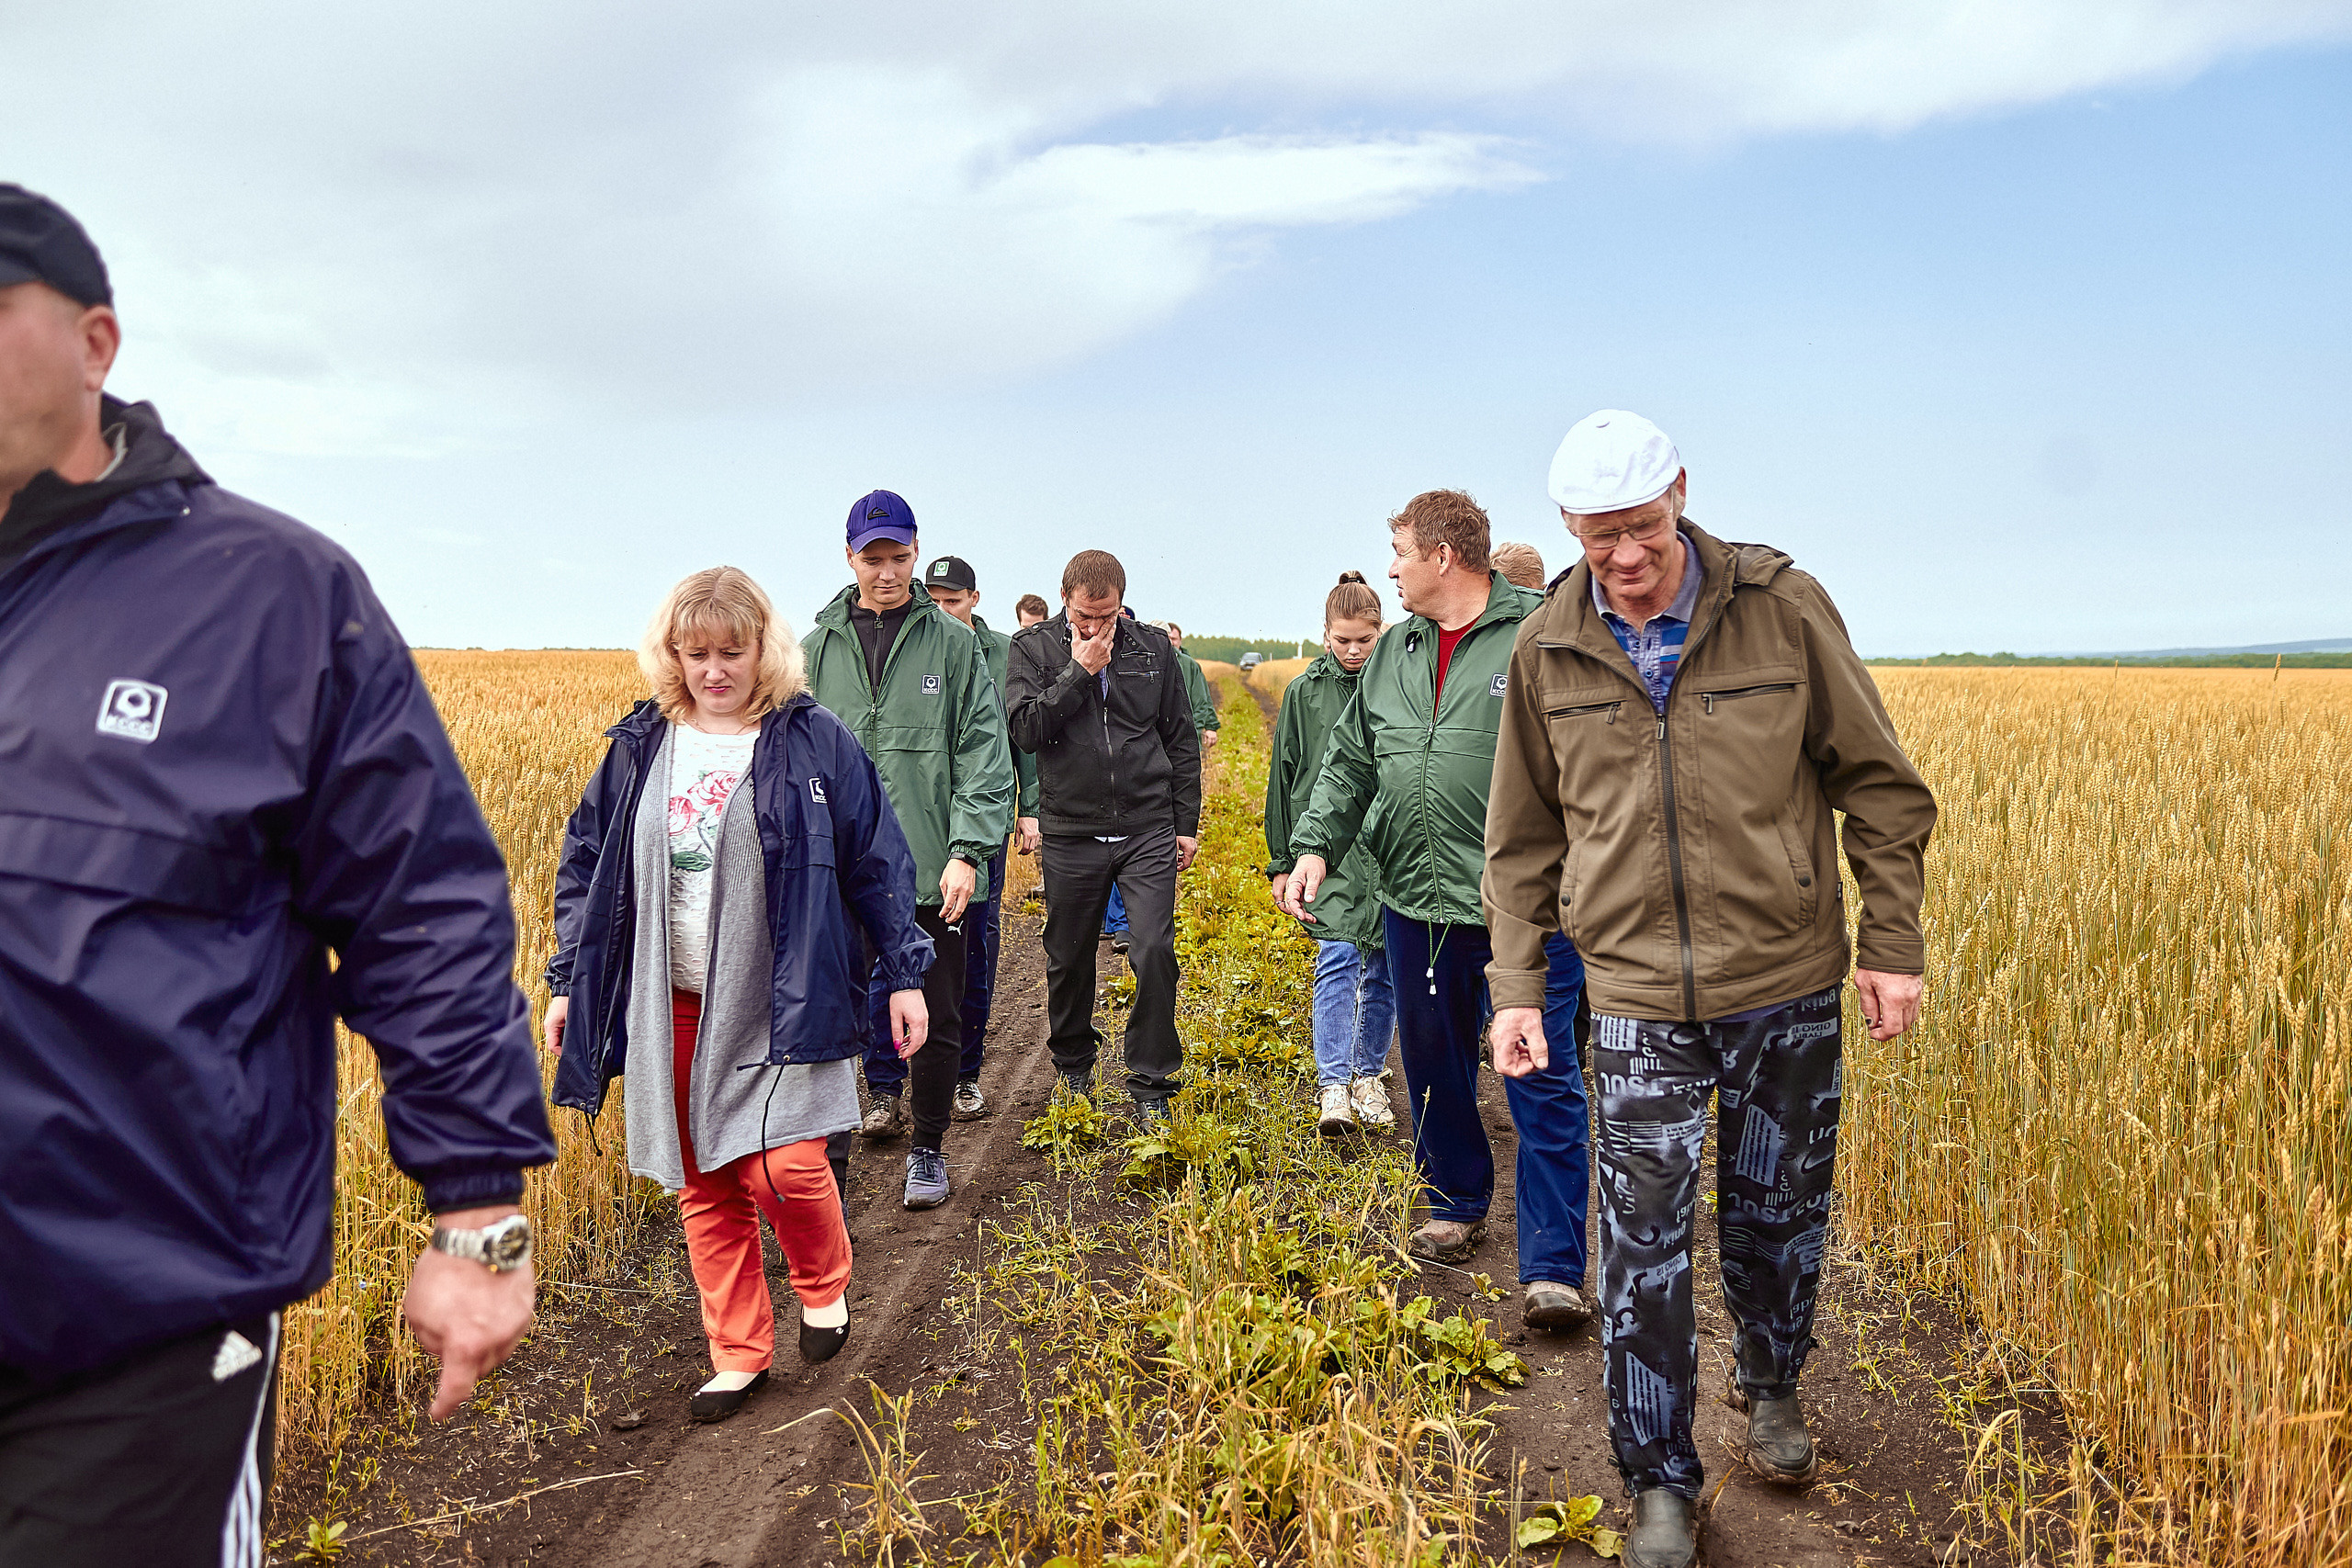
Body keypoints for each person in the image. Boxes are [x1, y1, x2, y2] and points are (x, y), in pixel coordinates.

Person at [0, 183, 556, 1562]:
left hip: (131, 1340)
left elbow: (418, 906)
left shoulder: (270, 599)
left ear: (96, 342)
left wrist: (479, 1209)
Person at [1482, 411, 1937, 1568]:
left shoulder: (1781, 609)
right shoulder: (1546, 648)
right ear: (1568, 532)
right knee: (1640, 1242)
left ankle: (1774, 1381)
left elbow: (1879, 789)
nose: (1624, 558)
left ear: (1679, 492)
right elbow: (1520, 843)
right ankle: (1658, 1481)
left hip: (1782, 980)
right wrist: (1518, 987)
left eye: (1640, 528)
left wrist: (1891, 944)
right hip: (1632, 992)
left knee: (1777, 1213)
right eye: (1597, 539)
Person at [546, 566, 933, 1423]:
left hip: (781, 998)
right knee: (702, 1178)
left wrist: (904, 975)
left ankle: (823, 1280)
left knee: (787, 1163)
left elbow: (877, 859)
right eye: (696, 653)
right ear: (671, 653)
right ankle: (738, 1351)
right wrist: (570, 982)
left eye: (732, 650)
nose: (713, 669)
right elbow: (587, 869)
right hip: (669, 1001)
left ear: (764, 649)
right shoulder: (642, 742)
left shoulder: (814, 739)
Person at [1279, 491, 1593, 1335]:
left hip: (1523, 906)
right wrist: (1314, 846)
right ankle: (1455, 1198)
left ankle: (1556, 1265)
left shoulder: (1539, 633)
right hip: (1414, 897)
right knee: (1433, 1061)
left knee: (1540, 1072)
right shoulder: (1395, 651)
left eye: (1399, 550)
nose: (1390, 567)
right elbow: (1350, 759)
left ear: (1445, 555)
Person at [803, 497, 1015, 1206]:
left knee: (936, 1010)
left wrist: (968, 851)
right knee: (829, 1015)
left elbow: (984, 754)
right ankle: (829, 1166)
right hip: (836, 874)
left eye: (898, 557)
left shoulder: (953, 646)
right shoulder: (814, 648)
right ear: (850, 556)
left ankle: (927, 1149)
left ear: (916, 551)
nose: (887, 572)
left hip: (933, 870)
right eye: (873, 558)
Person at [1004, 551, 1201, 1116]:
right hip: (1071, 829)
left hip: (1147, 827)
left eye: (1107, 617)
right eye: (1086, 617)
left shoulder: (1154, 649)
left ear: (1121, 604)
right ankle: (1073, 1066)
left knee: (1154, 949)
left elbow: (1180, 740)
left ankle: (1152, 1081)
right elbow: (1026, 729)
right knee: (1068, 956)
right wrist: (1080, 671)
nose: (1096, 628)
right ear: (1065, 599)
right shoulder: (1032, 649)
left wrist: (1184, 823)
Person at [1264, 573, 1396, 1137]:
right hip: (1326, 852)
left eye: (1363, 640)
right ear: (1324, 634)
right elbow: (1283, 776)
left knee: (1386, 965)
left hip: (1387, 847)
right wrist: (1280, 860)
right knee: (1339, 958)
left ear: (1379, 632)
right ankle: (1334, 1084)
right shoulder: (1303, 693)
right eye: (1341, 640)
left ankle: (1370, 1074)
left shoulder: (1395, 685)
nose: (1352, 650)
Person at [913, 552, 1041, 1120]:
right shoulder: (914, 646)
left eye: (953, 601)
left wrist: (1028, 807)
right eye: (934, 600)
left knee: (976, 950)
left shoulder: (1002, 653)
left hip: (980, 825)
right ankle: (894, 1080)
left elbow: (1016, 739)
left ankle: (965, 1070)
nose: (943, 610)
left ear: (975, 600)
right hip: (922, 825)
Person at [1164, 621, 1222, 750]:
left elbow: (1203, 699)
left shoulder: (1190, 665)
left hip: (1186, 738)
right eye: (1167, 639)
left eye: (1174, 639)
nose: (1171, 643)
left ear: (1180, 641)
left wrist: (1211, 726)